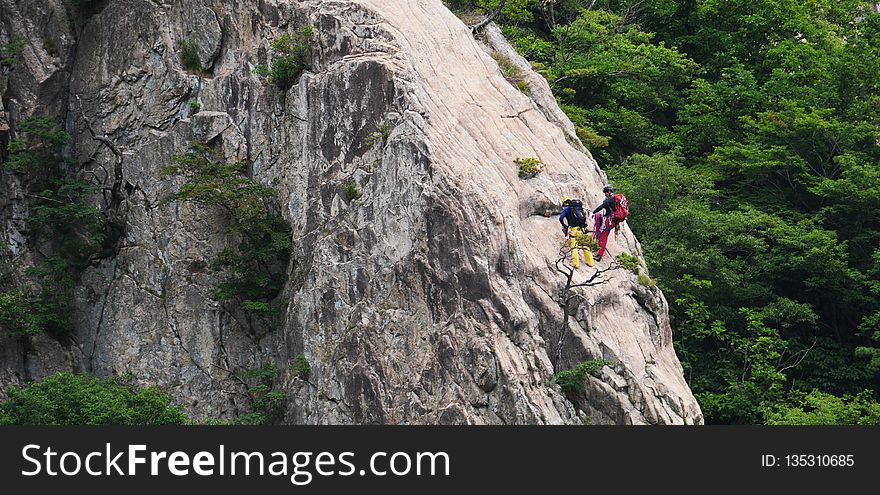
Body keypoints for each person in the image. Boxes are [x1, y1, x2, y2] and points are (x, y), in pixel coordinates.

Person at [592, 185, 618, 262]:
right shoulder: (615, 199)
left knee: (603, 237)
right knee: (603, 235)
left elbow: (601, 206)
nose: (605, 194)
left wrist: (593, 212)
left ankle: (599, 255)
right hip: (613, 220)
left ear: (608, 192)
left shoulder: (610, 199)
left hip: (609, 220)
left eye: (605, 193)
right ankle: (599, 250)